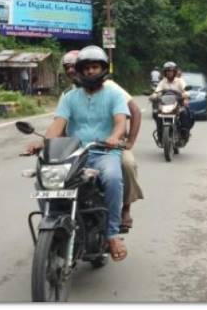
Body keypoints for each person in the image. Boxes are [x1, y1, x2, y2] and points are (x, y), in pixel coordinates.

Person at [25, 45, 130, 261]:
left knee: (112, 178)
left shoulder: (114, 94)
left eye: (95, 66)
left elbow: (121, 122)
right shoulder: (69, 98)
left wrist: (114, 137)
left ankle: (112, 234)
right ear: (80, 71)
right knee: (44, 180)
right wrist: (43, 143)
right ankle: (54, 223)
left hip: (104, 153)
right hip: (74, 154)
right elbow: (58, 126)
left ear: (103, 69)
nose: (91, 71)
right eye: (86, 68)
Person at [62, 50, 144, 231]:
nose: (71, 71)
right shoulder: (68, 94)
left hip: (109, 147)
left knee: (127, 165)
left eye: (93, 67)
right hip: (77, 149)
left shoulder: (111, 88)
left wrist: (128, 141)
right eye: (68, 67)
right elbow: (59, 125)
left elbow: (134, 112)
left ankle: (124, 209)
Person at [150, 61, 192, 144]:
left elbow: (186, 91)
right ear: (165, 72)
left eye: (171, 71)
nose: (169, 73)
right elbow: (156, 91)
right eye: (167, 71)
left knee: (185, 112)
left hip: (178, 105)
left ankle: (184, 133)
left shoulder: (180, 81)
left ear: (175, 72)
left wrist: (185, 95)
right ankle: (160, 133)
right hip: (165, 105)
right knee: (156, 113)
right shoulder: (162, 82)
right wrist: (153, 96)